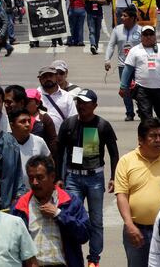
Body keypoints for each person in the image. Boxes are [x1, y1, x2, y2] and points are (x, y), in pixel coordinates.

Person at [55, 89, 119, 267]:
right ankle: (73, 255)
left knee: (96, 220)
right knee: (71, 217)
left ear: (94, 106)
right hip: (72, 179)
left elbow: (114, 154)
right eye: (79, 102)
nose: (80, 105)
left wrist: (114, 177)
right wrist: (59, 178)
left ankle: (94, 259)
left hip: (95, 179)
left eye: (85, 102)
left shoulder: (102, 125)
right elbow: (59, 153)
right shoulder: (68, 124)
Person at [114, 118, 160, 267]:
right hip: (137, 231)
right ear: (140, 140)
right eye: (153, 136)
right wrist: (129, 225)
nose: (158, 140)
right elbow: (122, 195)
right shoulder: (126, 161)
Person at [10, 155, 90, 267]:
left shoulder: (70, 202)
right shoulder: (20, 207)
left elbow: (84, 235)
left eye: (39, 177)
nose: (35, 183)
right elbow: (11, 245)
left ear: (52, 176)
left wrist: (59, 214)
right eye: (31, 178)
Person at [120, 26, 160, 124]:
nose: (148, 37)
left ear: (155, 36)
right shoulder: (134, 50)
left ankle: (159, 137)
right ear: (141, 37)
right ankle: (147, 138)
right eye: (145, 34)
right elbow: (127, 69)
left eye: (151, 34)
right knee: (146, 119)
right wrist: (123, 86)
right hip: (142, 90)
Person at [104, 7, 140, 121]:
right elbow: (110, 45)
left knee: (140, 89)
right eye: (122, 15)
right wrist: (107, 59)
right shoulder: (117, 30)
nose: (122, 18)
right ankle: (129, 113)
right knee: (125, 90)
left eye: (125, 16)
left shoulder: (141, 30)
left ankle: (142, 108)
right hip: (123, 65)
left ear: (133, 18)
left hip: (138, 65)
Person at [9, 108, 50, 182]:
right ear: (12, 125)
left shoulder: (39, 141)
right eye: (23, 122)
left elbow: (49, 164)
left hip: (35, 190)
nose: (28, 124)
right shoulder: (5, 143)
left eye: (29, 121)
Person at [36, 66, 77, 132]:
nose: (48, 79)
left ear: (56, 77)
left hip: (61, 138)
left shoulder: (66, 96)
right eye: (45, 77)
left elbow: (72, 119)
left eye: (51, 76)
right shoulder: (35, 96)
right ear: (40, 79)